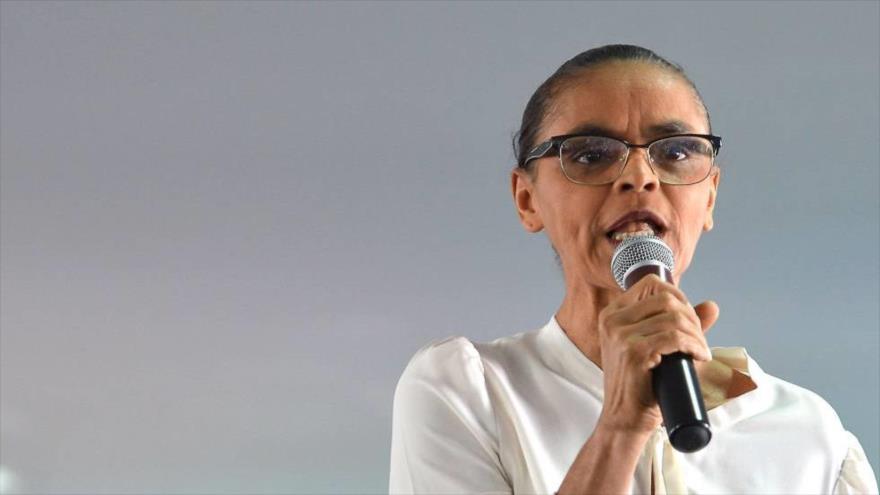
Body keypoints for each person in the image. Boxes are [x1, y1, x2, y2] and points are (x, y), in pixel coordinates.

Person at [388, 44, 878, 494]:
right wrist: (620, 428)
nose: (639, 177)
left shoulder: (807, 433)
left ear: (709, 197)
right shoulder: (469, 393)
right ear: (526, 199)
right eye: (591, 154)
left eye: (677, 151)